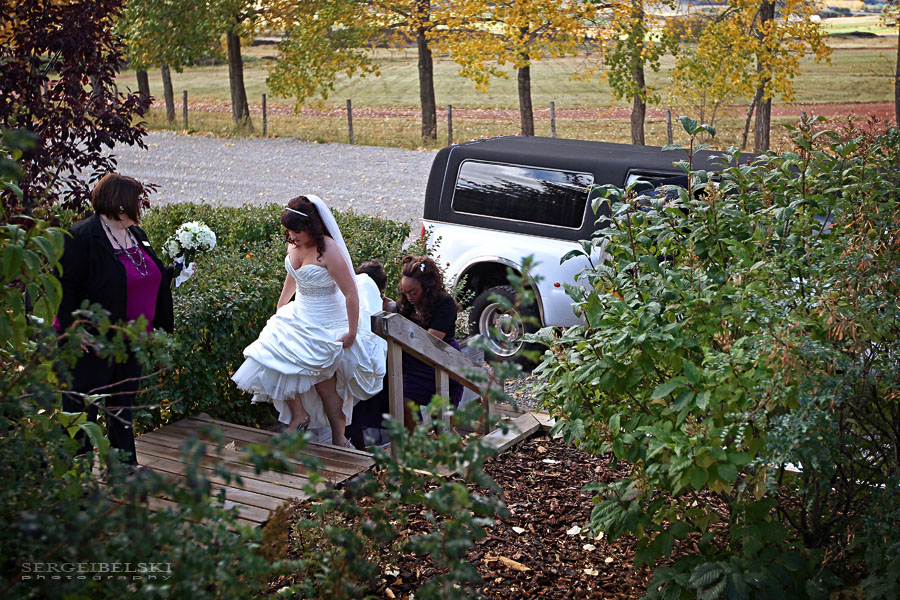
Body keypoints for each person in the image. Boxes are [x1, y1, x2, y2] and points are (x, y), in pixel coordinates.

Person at [231, 195, 386, 447]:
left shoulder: (328, 250)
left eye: (297, 231)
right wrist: (282, 303)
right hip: (300, 313)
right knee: (277, 358)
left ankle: (339, 439)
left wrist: (352, 332)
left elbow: (350, 293)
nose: (292, 237)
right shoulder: (293, 243)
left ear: (312, 227)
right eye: (288, 231)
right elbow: (293, 275)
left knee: (326, 389)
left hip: (326, 322)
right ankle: (299, 415)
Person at [56, 173, 174, 467]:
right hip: (92, 341)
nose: (142, 204)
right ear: (121, 206)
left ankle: (124, 469)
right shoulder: (82, 238)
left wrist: (176, 271)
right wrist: (71, 329)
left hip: (129, 339)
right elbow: (61, 286)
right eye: (138, 200)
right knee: (83, 410)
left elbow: (144, 277)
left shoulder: (136, 235)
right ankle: (76, 478)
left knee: (122, 406)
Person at [396, 255, 463, 432]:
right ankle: (417, 446)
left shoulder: (444, 304)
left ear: (426, 288)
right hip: (413, 366)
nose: (409, 297)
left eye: (413, 292)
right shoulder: (407, 305)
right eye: (405, 292)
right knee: (405, 406)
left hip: (443, 363)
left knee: (442, 427)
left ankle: (456, 454)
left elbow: (430, 341)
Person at [345, 260, 395, 449]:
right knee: (361, 407)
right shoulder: (375, 295)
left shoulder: (354, 287)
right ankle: (360, 448)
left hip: (353, 351)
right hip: (368, 355)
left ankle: (357, 446)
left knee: (355, 408)